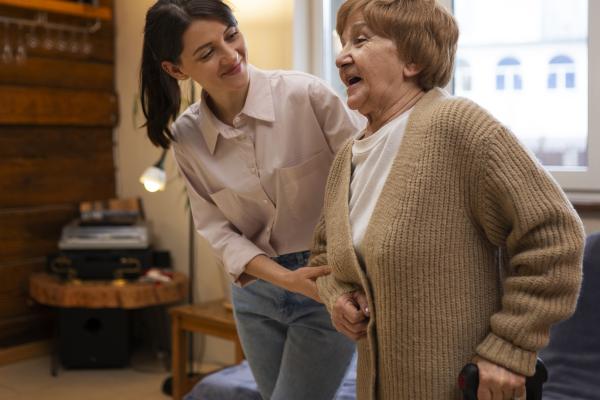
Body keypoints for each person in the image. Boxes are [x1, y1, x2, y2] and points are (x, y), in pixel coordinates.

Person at [308, 0, 585, 399]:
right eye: (342, 42)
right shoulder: (347, 158)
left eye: (361, 39)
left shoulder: (458, 126)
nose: (341, 56)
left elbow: (554, 234)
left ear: (412, 59)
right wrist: (339, 299)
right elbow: (324, 256)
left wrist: (510, 349)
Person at [139, 1, 364, 399]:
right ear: (176, 70)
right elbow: (217, 229)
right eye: (207, 53)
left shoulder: (306, 95)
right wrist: (282, 279)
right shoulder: (188, 138)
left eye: (231, 35)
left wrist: (336, 275)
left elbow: (365, 182)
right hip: (254, 294)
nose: (231, 56)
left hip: (323, 282)